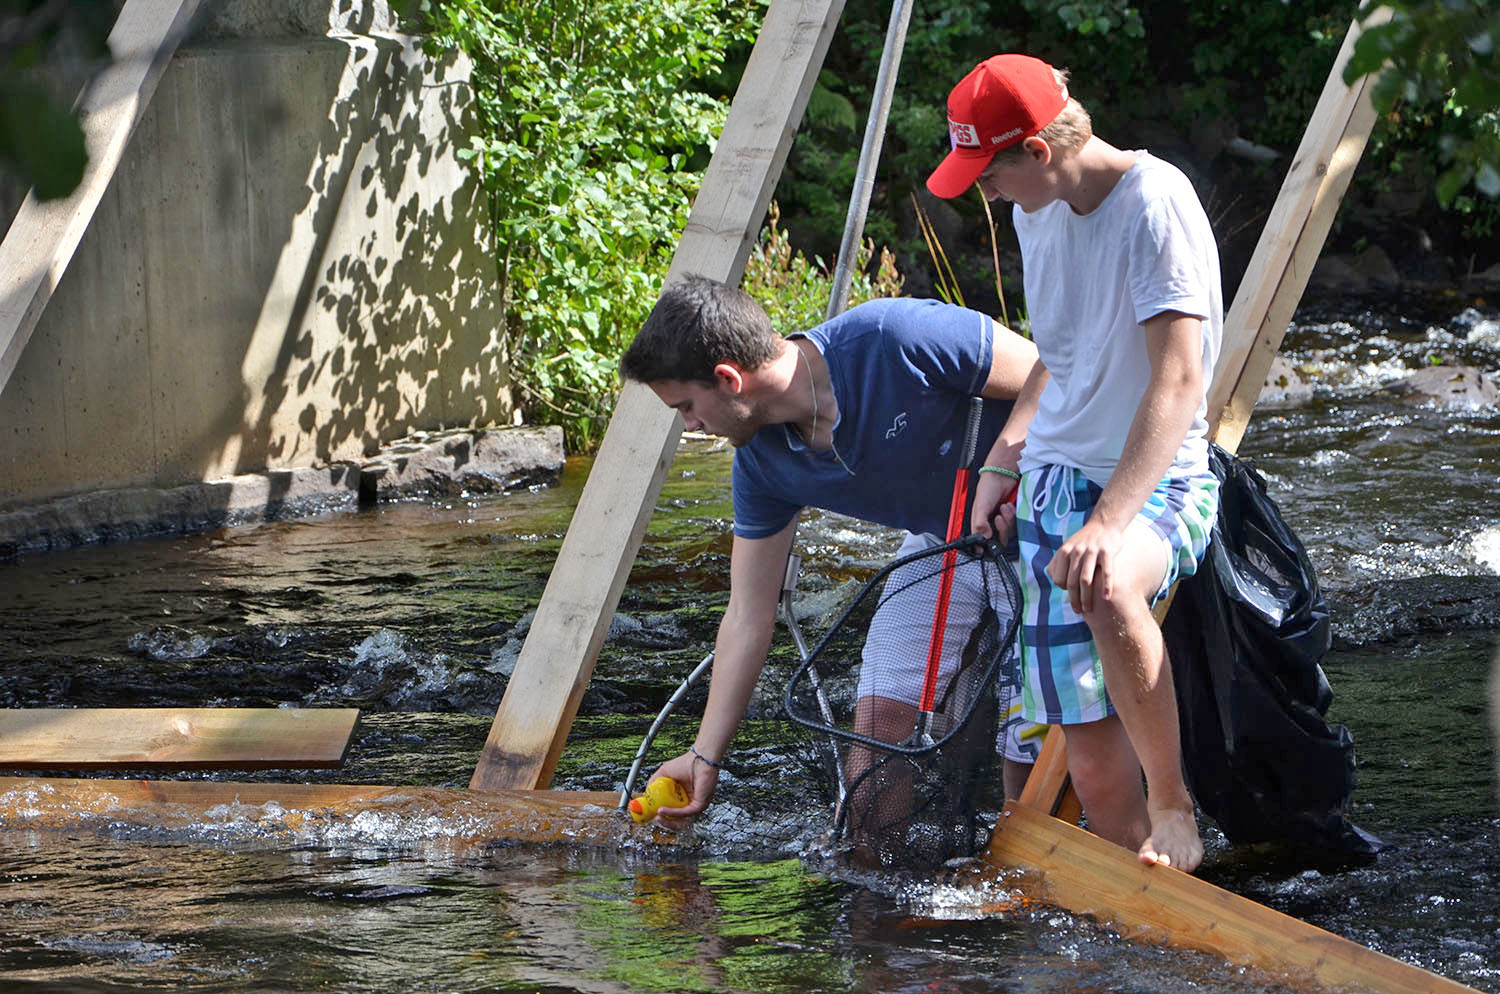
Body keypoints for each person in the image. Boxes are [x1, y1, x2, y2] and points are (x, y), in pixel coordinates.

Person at [925, 53, 1223, 872]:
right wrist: (1006, 456)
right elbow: (1059, 353)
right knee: (1089, 767)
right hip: (1056, 476)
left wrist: (1108, 520)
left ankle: (1176, 812)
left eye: (987, 172)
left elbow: (1179, 376)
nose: (981, 192)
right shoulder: (1037, 206)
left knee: (1111, 579)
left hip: (1158, 475)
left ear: (1039, 152)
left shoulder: (1154, 205)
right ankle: (1147, 902)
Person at [619, 276, 1043, 830]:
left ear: (729, 379)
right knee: (874, 747)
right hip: (945, 545)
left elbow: (1049, 370)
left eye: (687, 407)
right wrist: (705, 756)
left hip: (1048, 518)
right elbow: (749, 614)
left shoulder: (893, 336)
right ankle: (879, 896)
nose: (691, 425)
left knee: (1029, 772)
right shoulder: (761, 465)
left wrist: (1008, 468)